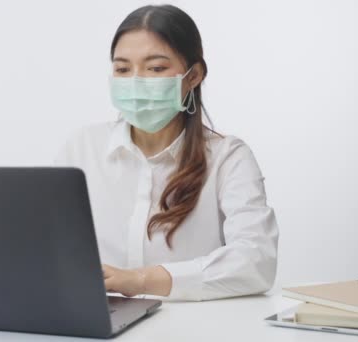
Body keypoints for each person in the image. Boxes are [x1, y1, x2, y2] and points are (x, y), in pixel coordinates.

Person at [53, 4, 278, 301]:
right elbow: (48, 245)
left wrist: (141, 280)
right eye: (122, 69)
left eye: (156, 68)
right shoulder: (82, 146)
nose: (135, 82)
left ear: (193, 75)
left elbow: (256, 261)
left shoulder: (228, 157)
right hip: (99, 320)